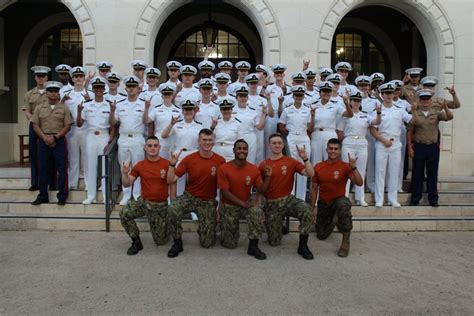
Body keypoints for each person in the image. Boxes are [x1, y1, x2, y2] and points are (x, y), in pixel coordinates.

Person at [166, 129, 226, 258]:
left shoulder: (220, 161)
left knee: (207, 243)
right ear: (199, 141)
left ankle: (204, 228)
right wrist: (172, 165)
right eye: (204, 140)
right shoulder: (189, 159)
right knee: (173, 208)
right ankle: (177, 242)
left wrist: (219, 207)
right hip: (190, 197)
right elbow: (171, 180)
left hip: (208, 201)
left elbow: (222, 188)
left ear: (214, 141)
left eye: (210, 140)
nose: (207, 142)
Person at [258, 133, 315, 259]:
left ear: (283, 145)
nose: (277, 145)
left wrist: (305, 158)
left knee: (306, 210)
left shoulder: (291, 162)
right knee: (274, 242)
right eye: (274, 143)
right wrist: (262, 208)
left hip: (287, 200)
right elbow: (260, 190)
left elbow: (310, 174)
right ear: (269, 145)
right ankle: (279, 225)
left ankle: (303, 246)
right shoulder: (263, 165)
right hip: (272, 203)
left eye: (279, 143)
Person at [119, 136, 176, 255]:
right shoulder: (140, 165)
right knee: (124, 213)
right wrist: (124, 174)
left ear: (159, 147)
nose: (152, 148)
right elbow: (127, 183)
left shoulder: (167, 164)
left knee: (161, 241)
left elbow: (172, 183)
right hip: (144, 202)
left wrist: (172, 204)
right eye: (149, 146)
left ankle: (166, 225)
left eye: (155, 146)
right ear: (145, 147)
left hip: (160, 206)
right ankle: (136, 241)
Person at [217, 139, 272, 259]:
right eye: (239, 148)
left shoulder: (253, 169)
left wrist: (267, 177)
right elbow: (225, 192)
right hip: (229, 206)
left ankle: (253, 246)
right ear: (234, 151)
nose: (242, 151)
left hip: (245, 204)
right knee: (229, 244)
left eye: (244, 149)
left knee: (256, 211)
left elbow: (261, 190)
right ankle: (226, 232)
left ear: (247, 151)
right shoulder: (224, 168)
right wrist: (244, 204)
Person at [310, 138, 363, 257]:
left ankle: (345, 242)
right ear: (326, 150)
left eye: (336, 149)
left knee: (344, 204)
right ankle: (334, 219)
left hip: (338, 201)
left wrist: (354, 167)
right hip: (324, 204)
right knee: (321, 235)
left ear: (339, 151)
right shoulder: (318, 166)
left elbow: (359, 183)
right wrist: (313, 207)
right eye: (330, 148)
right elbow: (314, 189)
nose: (333, 151)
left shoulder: (345, 166)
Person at [408, 89, 453, 207]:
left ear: (430, 101)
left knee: (432, 174)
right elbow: (411, 129)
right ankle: (415, 198)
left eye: (427, 99)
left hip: (432, 146)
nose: (425, 101)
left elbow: (450, 117)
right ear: (420, 101)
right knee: (417, 173)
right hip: (419, 146)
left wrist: (446, 107)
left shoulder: (436, 113)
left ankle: (433, 198)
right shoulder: (415, 112)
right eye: (423, 99)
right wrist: (410, 147)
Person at [370, 82, 412, 208]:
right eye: (386, 93)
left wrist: (415, 108)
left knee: (394, 172)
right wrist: (383, 140)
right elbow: (372, 129)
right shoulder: (377, 110)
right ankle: (379, 199)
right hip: (382, 143)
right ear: (382, 95)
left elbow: (412, 120)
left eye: (391, 93)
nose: (389, 95)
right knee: (380, 172)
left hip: (396, 144)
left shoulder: (399, 110)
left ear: (394, 94)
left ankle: (392, 199)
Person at [31, 81, 73, 205]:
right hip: (43, 140)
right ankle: (43, 195)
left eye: (55, 91)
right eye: (51, 91)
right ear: (47, 93)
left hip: (59, 140)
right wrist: (45, 138)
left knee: (62, 168)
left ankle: (62, 196)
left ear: (58, 93)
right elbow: (35, 125)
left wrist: (55, 138)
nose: (53, 94)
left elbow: (67, 126)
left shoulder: (64, 108)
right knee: (43, 168)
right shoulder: (40, 108)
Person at [337, 90, 381, 206]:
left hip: (361, 142)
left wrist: (379, 113)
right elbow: (339, 132)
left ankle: (360, 197)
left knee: (360, 171)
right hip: (349, 142)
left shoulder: (366, 115)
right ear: (350, 101)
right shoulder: (346, 115)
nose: (356, 102)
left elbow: (376, 122)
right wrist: (344, 142)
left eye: (358, 100)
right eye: (354, 100)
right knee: (346, 170)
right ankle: (344, 196)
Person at [77, 77, 115, 204]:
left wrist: (110, 140)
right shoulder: (87, 105)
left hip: (104, 135)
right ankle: (91, 195)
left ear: (104, 90)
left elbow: (113, 124)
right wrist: (78, 112)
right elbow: (79, 123)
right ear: (93, 89)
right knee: (91, 166)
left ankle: (106, 196)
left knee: (105, 168)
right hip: (91, 136)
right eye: (96, 88)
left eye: (101, 88)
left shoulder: (109, 105)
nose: (98, 90)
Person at [109, 75, 146, 205]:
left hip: (137, 138)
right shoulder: (120, 104)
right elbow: (114, 122)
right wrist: (112, 112)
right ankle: (126, 194)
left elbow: (148, 122)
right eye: (129, 87)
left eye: (134, 87)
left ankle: (136, 194)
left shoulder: (143, 104)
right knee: (124, 167)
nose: (131, 89)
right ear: (125, 88)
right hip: (124, 138)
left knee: (138, 167)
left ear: (138, 88)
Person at [61, 66, 94, 190]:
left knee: (86, 157)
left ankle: (87, 183)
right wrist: (63, 101)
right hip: (71, 129)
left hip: (86, 128)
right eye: (76, 77)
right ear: (72, 79)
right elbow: (60, 110)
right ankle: (72, 183)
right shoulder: (66, 94)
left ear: (84, 78)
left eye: (81, 76)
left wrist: (89, 100)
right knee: (73, 157)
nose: (79, 78)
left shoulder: (90, 93)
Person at [278, 85, 313, 201]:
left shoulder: (308, 110)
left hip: (304, 137)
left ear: (303, 96)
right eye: (297, 95)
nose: (298, 97)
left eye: (301, 95)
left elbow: (310, 128)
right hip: (291, 138)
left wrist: (313, 116)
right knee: (292, 166)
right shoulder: (287, 110)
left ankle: (301, 197)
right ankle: (291, 195)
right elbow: (281, 125)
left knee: (304, 166)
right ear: (293, 96)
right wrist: (287, 132)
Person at [161, 99, 202, 196]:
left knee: (193, 179)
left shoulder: (199, 126)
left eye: (190, 110)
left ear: (194, 111)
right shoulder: (177, 125)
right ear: (182, 112)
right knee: (179, 180)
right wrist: (171, 124)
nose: (188, 112)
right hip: (179, 154)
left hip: (193, 153)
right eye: (186, 110)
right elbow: (164, 135)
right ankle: (178, 202)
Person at [22, 66, 52, 191]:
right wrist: (34, 122)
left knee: (49, 154)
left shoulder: (51, 92)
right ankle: (35, 182)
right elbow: (27, 111)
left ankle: (50, 181)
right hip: (34, 126)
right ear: (35, 78)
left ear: (47, 77)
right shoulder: (29, 94)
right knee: (34, 154)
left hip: (48, 126)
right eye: (38, 76)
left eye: (43, 76)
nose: (41, 79)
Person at [310, 81, 353, 165]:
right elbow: (310, 126)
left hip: (330, 133)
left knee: (331, 162)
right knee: (315, 162)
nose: (326, 93)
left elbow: (350, 115)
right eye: (324, 91)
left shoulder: (336, 105)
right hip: (316, 134)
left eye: (328, 91)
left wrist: (347, 104)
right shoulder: (313, 106)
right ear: (319, 93)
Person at [143, 83, 181, 159]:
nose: (167, 96)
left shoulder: (179, 110)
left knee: (173, 165)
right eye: (165, 94)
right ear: (162, 96)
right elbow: (146, 121)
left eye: (169, 94)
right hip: (160, 141)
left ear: (172, 96)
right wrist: (146, 108)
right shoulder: (156, 109)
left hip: (173, 141)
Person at [233, 85, 267, 164]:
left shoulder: (252, 111)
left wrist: (263, 114)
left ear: (247, 98)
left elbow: (260, 127)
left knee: (250, 160)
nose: (243, 98)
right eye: (240, 96)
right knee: (236, 160)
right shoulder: (232, 111)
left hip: (250, 137)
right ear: (236, 98)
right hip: (235, 136)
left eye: (244, 96)